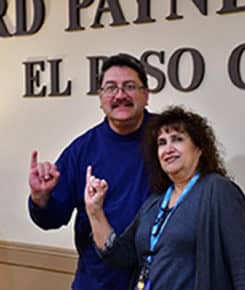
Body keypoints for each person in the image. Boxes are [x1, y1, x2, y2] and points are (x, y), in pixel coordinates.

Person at [85, 106, 245, 290]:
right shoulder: (155, 200)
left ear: (199, 148)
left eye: (177, 139)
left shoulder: (218, 190)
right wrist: (95, 210)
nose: (168, 149)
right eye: (162, 143)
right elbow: (120, 255)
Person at [28, 53, 154, 290]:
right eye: (111, 88)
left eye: (129, 86)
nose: (120, 95)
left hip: (159, 280)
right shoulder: (82, 150)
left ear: (146, 95)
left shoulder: (168, 141)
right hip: (98, 281)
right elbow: (52, 218)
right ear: (100, 98)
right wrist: (40, 197)